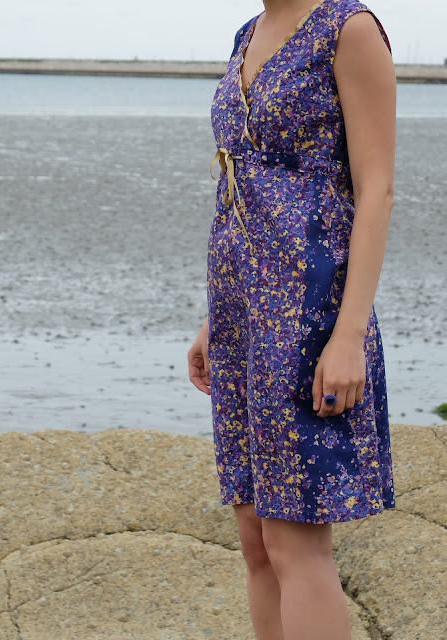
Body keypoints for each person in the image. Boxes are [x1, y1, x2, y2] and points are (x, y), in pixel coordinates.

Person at [187, 0, 396, 637]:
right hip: (241, 311)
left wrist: (349, 335)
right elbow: (239, 187)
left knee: (294, 543)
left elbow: (377, 189)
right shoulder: (247, 34)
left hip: (310, 310)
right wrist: (215, 321)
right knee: (256, 541)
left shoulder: (349, 29)